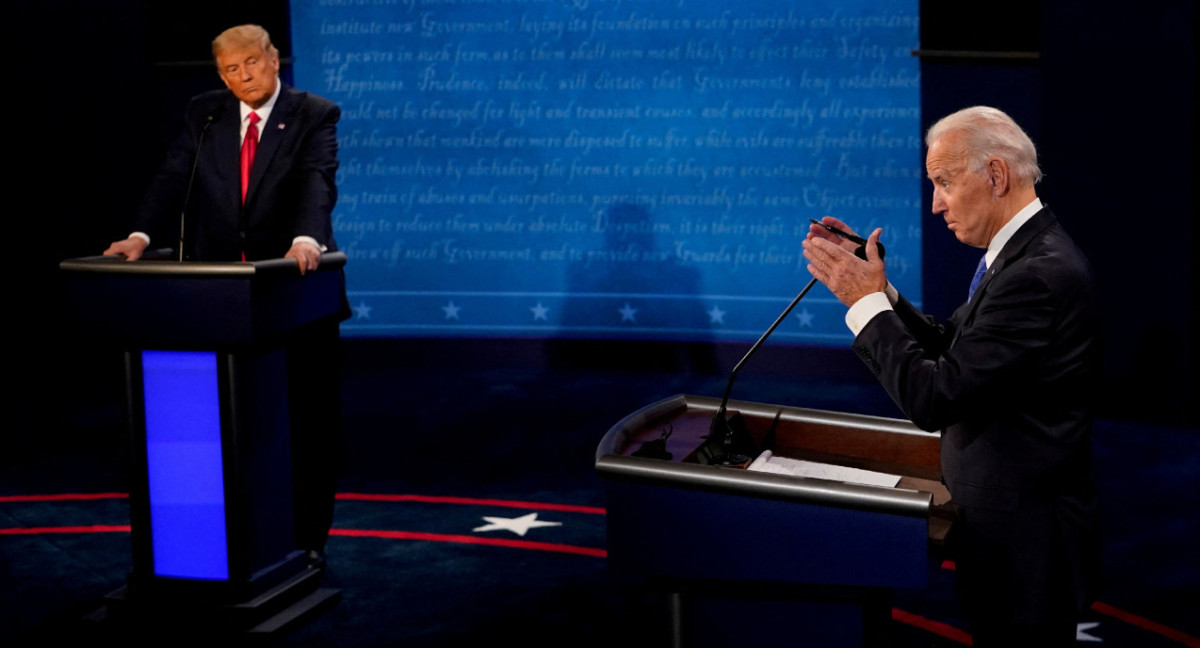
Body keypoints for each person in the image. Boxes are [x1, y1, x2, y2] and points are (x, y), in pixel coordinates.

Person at [802, 106, 1102, 646]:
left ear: (995, 175)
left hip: (1027, 545)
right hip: (1007, 533)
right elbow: (957, 350)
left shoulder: (1036, 273)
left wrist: (865, 306)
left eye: (944, 182)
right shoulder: (1019, 256)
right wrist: (884, 295)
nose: (936, 203)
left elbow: (935, 395)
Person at [105, 24, 344, 562]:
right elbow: (172, 176)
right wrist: (141, 234)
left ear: (274, 59)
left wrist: (306, 237)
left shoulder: (314, 112)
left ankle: (308, 541)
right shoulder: (206, 112)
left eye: (251, 64)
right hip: (216, 299)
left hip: (292, 291)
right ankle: (232, 542)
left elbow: (317, 179)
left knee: (306, 423)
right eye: (230, 70)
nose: (243, 78)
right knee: (227, 424)